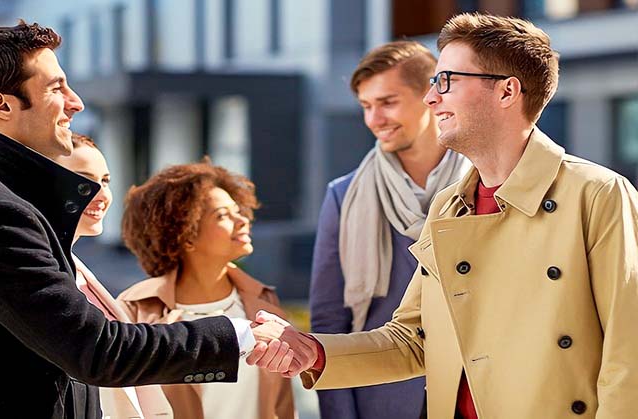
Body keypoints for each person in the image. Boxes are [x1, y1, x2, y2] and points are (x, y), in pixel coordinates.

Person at [250, 13, 638, 419]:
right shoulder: (451, 205)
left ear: (507, 92)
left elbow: (628, 352)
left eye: (447, 81)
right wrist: (311, 350)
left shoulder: (597, 194)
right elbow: (414, 339)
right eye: (434, 82)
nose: (432, 97)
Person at [0, 21, 290, 418]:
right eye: (56, 88)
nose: (76, 102)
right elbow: (97, 351)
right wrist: (238, 332)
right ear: (1, 106)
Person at [309, 40, 469, 419]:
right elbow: (329, 322)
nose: (374, 119)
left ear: (430, 97)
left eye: (387, 102)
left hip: (476, 393)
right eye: (366, 106)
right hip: (382, 401)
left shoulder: (485, 184)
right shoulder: (344, 196)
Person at [117, 160, 296, 419]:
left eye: (238, 210)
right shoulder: (137, 309)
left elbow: (283, 405)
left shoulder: (263, 302)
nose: (242, 220)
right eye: (223, 215)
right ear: (186, 234)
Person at [55, 133, 173, 419]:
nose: (100, 194)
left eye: (105, 181)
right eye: (82, 179)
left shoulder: (78, 269)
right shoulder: (41, 273)